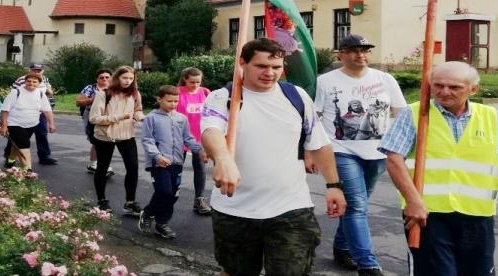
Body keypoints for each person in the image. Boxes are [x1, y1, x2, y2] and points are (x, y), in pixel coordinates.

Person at [380, 61, 498, 276]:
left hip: (478, 216)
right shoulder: (415, 114)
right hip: (428, 214)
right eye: (438, 85)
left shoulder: (491, 117)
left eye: (454, 87)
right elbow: (393, 158)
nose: (444, 92)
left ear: (473, 89)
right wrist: (413, 201)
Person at [201, 38, 346, 276]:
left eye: (276, 67)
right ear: (242, 63)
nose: (270, 73)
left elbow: (319, 144)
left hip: (291, 208)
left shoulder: (296, 97)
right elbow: (210, 131)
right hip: (235, 210)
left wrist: (333, 185)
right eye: (261, 66)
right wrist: (224, 159)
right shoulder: (223, 97)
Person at [314, 34, 407, 276]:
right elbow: (313, 118)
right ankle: (368, 264)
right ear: (341, 55)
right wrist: (311, 151)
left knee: (358, 202)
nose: (360, 55)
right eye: (354, 50)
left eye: (365, 50)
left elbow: (402, 113)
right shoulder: (325, 82)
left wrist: (403, 144)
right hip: (341, 150)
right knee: (357, 206)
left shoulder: (385, 79)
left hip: (378, 152)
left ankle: (342, 247)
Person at [138, 85, 204, 239]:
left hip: (176, 163)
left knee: (173, 194)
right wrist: (157, 156)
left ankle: (162, 223)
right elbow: (147, 140)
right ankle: (148, 213)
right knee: (164, 191)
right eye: (169, 101)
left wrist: (200, 150)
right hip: (159, 163)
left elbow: (188, 138)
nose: (173, 104)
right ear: (159, 99)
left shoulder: (181, 118)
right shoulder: (151, 118)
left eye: (176, 101)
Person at [89, 65, 144, 215]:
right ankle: (102, 201)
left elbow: (138, 110)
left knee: (133, 168)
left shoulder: (135, 93)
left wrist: (140, 117)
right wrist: (119, 117)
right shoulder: (104, 94)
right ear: (117, 78)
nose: (128, 81)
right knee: (102, 168)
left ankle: (130, 202)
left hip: (126, 135)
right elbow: (94, 118)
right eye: (124, 78)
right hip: (105, 137)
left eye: (131, 78)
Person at [0, 72, 55, 170]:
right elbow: (5, 110)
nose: (31, 83)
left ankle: (11, 158)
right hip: (14, 123)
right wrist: (4, 125)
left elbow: (47, 110)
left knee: (18, 143)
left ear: (39, 83)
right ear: (25, 82)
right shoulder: (16, 92)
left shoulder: (40, 94)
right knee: (24, 144)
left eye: (35, 82)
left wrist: (51, 123)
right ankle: (27, 169)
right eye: (29, 81)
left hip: (32, 123)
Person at [176, 67, 212, 215]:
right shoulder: (177, 92)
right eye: (192, 82)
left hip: (199, 139)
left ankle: (200, 200)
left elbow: (211, 114)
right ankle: (169, 195)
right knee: (175, 169)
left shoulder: (205, 92)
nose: (196, 85)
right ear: (185, 79)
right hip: (180, 137)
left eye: (198, 82)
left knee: (200, 169)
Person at [11, 63, 58, 165]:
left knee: (42, 133)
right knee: (21, 136)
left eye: (39, 70)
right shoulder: (21, 80)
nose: (37, 72)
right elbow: (13, 94)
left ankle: (44, 156)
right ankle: (10, 157)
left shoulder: (44, 79)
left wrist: (44, 86)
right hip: (23, 113)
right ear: (29, 70)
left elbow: (50, 92)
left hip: (40, 111)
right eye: (34, 70)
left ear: (43, 71)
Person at [75, 69, 114, 176]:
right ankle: (94, 164)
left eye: (107, 77)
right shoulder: (90, 88)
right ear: (97, 79)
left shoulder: (114, 88)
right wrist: (96, 99)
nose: (104, 79)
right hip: (92, 115)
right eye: (101, 77)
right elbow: (79, 102)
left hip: (108, 116)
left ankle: (103, 164)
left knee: (108, 139)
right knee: (96, 140)